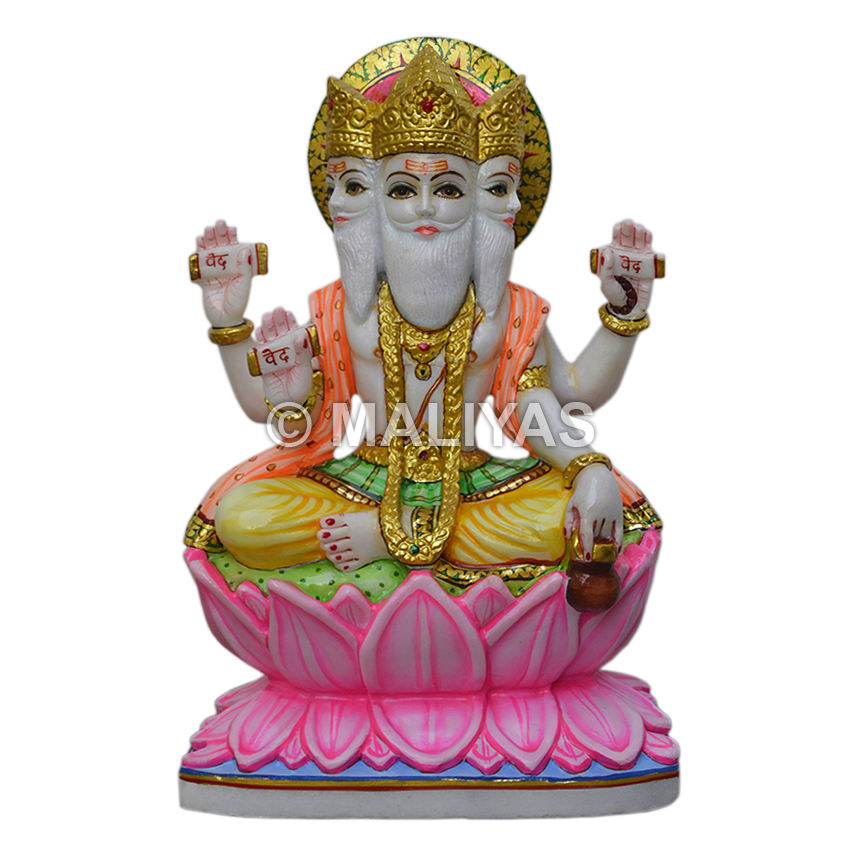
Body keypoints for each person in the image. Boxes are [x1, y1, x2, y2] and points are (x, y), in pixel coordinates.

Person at [185, 45, 661, 594]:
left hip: (471, 483)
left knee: (561, 516)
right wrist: (231, 326)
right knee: (244, 517)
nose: (426, 208)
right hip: (365, 480)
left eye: (449, 189)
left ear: (487, 201)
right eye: (403, 190)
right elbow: (272, 414)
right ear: (369, 201)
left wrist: (623, 318)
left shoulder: (508, 313)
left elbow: (566, 397)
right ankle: (406, 534)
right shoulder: (340, 310)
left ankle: (390, 536)